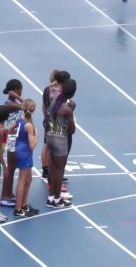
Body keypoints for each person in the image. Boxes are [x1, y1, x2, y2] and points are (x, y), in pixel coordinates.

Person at [46, 79, 76, 208]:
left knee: (53, 169)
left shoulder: (54, 100)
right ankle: (57, 199)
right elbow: (72, 129)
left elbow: (52, 90)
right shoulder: (66, 109)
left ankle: (51, 196)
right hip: (60, 140)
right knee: (59, 171)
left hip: (50, 136)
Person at [0, 79, 23, 208]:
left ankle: (9, 193)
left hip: (14, 137)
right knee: (10, 168)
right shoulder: (11, 104)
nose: (21, 92)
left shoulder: (12, 103)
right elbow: (27, 106)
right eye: (20, 90)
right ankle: (3, 197)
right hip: (11, 139)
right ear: (16, 90)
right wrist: (19, 98)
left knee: (12, 168)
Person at [13, 99, 39, 217]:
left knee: (28, 180)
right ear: (33, 110)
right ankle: (18, 209)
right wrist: (36, 135)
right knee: (22, 180)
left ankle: (23, 205)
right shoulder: (29, 126)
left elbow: (11, 130)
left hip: (19, 150)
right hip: (25, 153)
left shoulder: (19, 121)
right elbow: (32, 145)